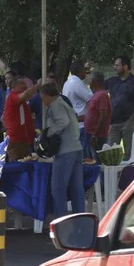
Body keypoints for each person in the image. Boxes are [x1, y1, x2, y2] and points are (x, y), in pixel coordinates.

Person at [41, 83, 85, 216]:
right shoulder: (64, 103)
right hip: (76, 148)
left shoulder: (56, 105)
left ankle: (61, 220)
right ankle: (80, 218)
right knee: (76, 188)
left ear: (48, 96)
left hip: (65, 151)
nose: (43, 101)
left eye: (43, 98)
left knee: (58, 188)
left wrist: (48, 133)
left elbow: (63, 122)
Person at [105, 56, 134, 160]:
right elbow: (97, 88)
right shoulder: (112, 81)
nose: (115, 68)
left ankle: (130, 174)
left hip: (128, 123)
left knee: (129, 155)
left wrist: (131, 120)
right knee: (110, 154)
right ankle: (113, 175)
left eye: (117, 65)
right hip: (114, 123)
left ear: (125, 66)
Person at [3, 77, 39, 161]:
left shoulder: (22, 102)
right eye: (22, 84)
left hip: (24, 141)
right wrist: (37, 85)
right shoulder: (13, 97)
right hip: (16, 141)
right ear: (14, 86)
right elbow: (25, 95)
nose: (25, 86)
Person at [62, 61, 93, 155]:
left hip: (74, 124)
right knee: (86, 156)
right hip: (82, 124)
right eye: (85, 71)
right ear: (80, 71)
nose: (86, 73)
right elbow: (92, 99)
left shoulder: (67, 83)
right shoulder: (77, 83)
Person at [84, 71, 111, 154]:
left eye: (90, 79)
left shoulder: (101, 95)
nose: (88, 81)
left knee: (96, 159)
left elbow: (103, 116)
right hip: (90, 133)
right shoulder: (95, 95)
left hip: (97, 135)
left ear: (94, 81)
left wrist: (95, 134)